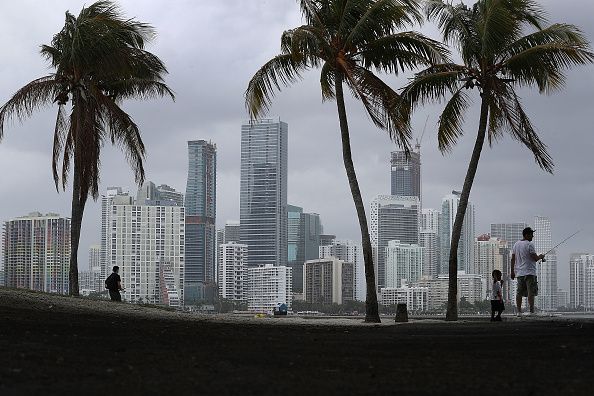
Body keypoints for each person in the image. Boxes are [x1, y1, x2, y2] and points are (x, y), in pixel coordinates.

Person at [511, 227, 545, 316]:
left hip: (519, 273)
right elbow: (535, 258)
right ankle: (531, 311)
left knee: (519, 292)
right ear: (526, 235)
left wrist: (512, 271)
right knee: (531, 292)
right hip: (530, 273)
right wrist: (541, 256)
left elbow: (513, 259)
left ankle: (518, 311)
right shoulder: (530, 244)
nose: (532, 236)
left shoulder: (516, 244)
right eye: (531, 234)